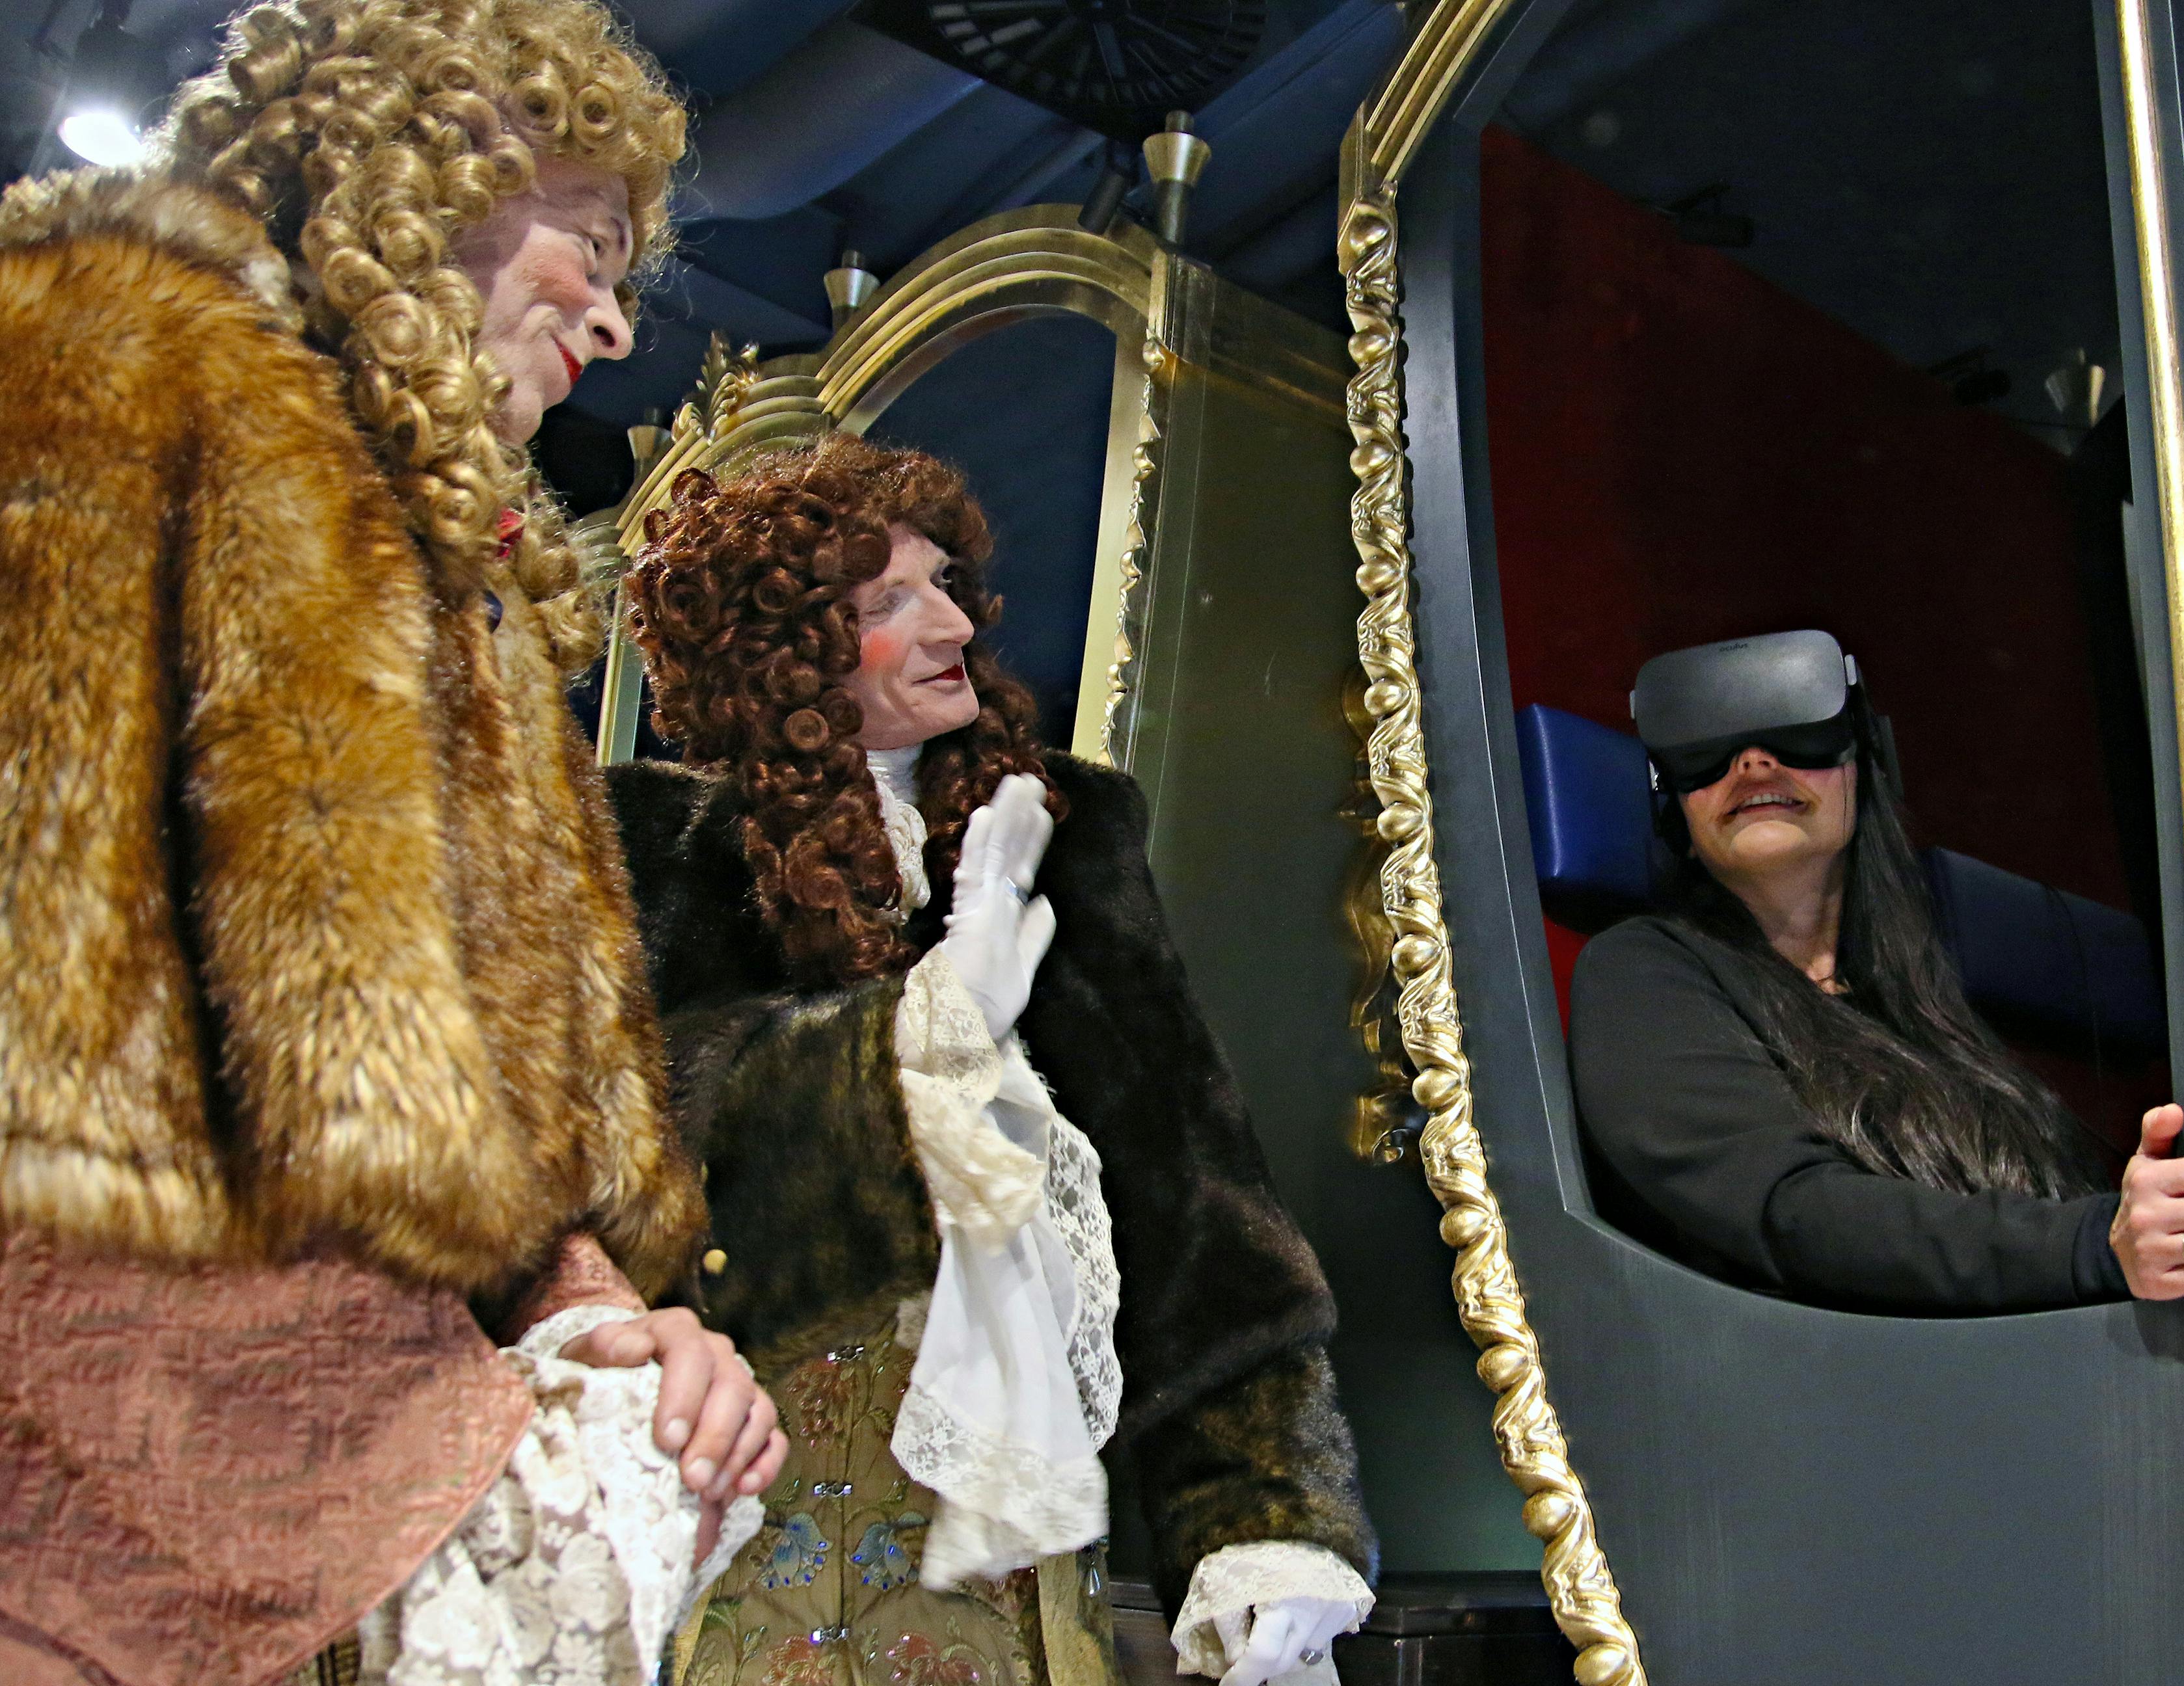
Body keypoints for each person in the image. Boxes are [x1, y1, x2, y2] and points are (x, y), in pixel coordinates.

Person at [0, 4, 783, 1681]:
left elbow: (493, 1157)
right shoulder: (103, 364)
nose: (615, 324)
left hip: (345, 1481)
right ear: (436, 166)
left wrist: (603, 1325)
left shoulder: (471, 611)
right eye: (590, 246)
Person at [1569, 630, 2184, 1686]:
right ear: (1670, 798)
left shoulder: (1914, 1001)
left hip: (2183, 1352)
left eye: (1793, 735)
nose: (1753, 764)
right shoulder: (1646, 973)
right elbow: (1790, 1213)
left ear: (1860, 762)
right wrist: (2098, 1242)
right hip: (2038, 1422)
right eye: (1708, 752)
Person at [604, 432, 1379, 1686]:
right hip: (741, 1513)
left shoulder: (1067, 833)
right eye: (885, 602)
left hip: (999, 1551)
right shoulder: (657, 846)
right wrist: (917, 1037)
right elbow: (650, 1164)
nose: (953, 624)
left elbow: (1191, 1189)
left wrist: (1265, 1518)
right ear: (778, 653)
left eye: (947, 584)